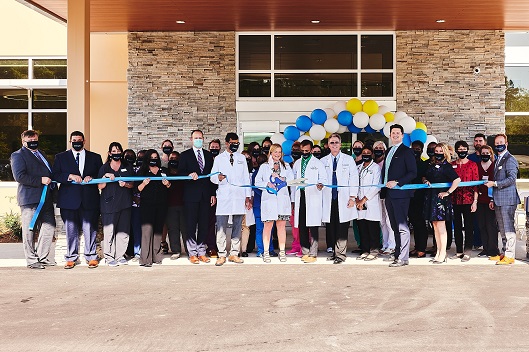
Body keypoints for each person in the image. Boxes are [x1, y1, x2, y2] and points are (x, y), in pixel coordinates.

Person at [52, 131, 103, 269]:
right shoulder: (60, 157)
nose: (77, 142)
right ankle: (71, 258)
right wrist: (70, 176)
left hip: (89, 199)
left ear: (84, 141)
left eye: (79, 140)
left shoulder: (95, 157)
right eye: (74, 140)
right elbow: (55, 175)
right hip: (69, 201)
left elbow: (100, 174)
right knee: (70, 230)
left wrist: (91, 177)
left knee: (90, 229)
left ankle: (91, 257)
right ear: (70, 141)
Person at [10, 130, 56, 269]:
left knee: (49, 226)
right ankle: (31, 260)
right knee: (29, 230)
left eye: (35, 140)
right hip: (30, 199)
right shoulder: (17, 155)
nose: (33, 143)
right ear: (23, 142)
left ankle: (42, 257)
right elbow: (20, 176)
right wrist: (40, 180)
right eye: (30, 141)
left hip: (46, 197)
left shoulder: (41, 153)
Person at [211, 132, 251, 266]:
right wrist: (218, 178)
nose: (235, 145)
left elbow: (246, 178)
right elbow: (212, 177)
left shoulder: (241, 158)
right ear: (227, 143)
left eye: (237, 143)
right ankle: (221, 254)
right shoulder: (219, 159)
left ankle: (234, 253)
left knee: (237, 226)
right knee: (221, 227)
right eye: (233, 143)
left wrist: (247, 196)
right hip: (224, 196)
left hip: (238, 197)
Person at [380, 124, 417, 267]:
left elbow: (412, 173)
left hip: (400, 194)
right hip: (389, 194)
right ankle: (397, 255)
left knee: (402, 226)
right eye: (393, 133)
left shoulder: (407, 152)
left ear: (402, 135)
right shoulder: (389, 150)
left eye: (397, 133)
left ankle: (403, 258)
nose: (395, 135)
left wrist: (397, 182)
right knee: (394, 226)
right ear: (390, 135)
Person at [178, 130, 216, 264]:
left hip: (205, 196)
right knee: (191, 225)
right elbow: (180, 173)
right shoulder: (184, 156)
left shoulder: (208, 155)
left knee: (204, 225)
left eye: (200, 138)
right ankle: (192, 253)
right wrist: (189, 175)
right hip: (191, 196)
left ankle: (201, 252)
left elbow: (211, 176)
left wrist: (213, 193)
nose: (198, 140)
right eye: (196, 138)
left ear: (203, 139)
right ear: (191, 139)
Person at [320, 133, 358, 264]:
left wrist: (353, 197)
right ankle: (335, 253)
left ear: (340, 144)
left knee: (342, 227)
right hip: (329, 198)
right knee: (331, 226)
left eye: (336, 142)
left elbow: (354, 179)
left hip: (344, 197)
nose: (334, 145)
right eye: (332, 143)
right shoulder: (323, 161)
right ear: (328, 145)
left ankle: (340, 255)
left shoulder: (348, 160)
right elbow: (320, 179)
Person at [254, 143, 294, 262]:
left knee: (281, 227)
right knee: (267, 227)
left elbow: (291, 179)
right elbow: (257, 182)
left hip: (282, 201)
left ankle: (282, 252)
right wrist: (266, 184)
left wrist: (283, 179)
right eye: (275, 151)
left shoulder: (286, 166)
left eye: (279, 152)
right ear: (270, 153)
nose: (277, 154)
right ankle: (265, 252)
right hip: (269, 201)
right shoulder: (264, 167)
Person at [485, 133, 520, 265]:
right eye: (496, 143)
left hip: (508, 200)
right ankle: (505, 253)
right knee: (502, 228)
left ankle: (510, 256)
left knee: (508, 228)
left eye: (501, 142)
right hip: (499, 199)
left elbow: (511, 179)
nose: (498, 145)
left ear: (506, 143)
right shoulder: (498, 159)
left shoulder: (510, 159)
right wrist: (493, 199)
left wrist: (495, 184)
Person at [423, 143, 460, 264]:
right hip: (431, 197)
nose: (438, 153)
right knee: (434, 226)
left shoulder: (447, 166)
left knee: (441, 227)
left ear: (445, 153)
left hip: (441, 199)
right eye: (436, 151)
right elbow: (424, 176)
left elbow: (457, 180)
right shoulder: (431, 165)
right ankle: (438, 251)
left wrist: (448, 192)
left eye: (440, 151)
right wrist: (425, 180)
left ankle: (443, 253)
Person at [97, 142, 134, 267]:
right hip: (109, 204)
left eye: (118, 151)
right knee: (109, 231)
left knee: (123, 231)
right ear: (109, 153)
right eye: (114, 151)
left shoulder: (127, 167)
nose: (116, 153)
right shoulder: (104, 167)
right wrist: (106, 177)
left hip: (125, 203)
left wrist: (126, 184)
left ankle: (120, 255)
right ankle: (109, 256)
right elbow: (100, 186)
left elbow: (132, 184)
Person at [292, 140, 327, 263]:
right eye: (303, 151)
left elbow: (323, 178)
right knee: (302, 225)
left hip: (313, 196)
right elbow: (293, 180)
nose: (305, 153)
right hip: (300, 195)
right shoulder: (297, 163)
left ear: (312, 150)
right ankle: (305, 251)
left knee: (313, 226)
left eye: (307, 151)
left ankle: (313, 253)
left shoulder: (318, 163)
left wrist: (320, 185)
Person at [136, 149, 171, 267]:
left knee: (157, 231)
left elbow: (170, 187)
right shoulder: (142, 172)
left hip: (161, 204)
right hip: (147, 205)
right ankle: (145, 259)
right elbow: (137, 189)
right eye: (151, 158)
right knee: (147, 231)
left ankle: (156, 256)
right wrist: (144, 184)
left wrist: (168, 184)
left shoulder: (164, 171)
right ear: (147, 159)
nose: (154, 160)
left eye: (156, 158)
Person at [450, 140, 479, 262]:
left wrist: (475, 201)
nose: (462, 151)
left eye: (464, 149)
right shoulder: (451, 165)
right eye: (459, 149)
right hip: (454, 200)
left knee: (468, 226)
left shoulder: (473, 165)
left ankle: (468, 250)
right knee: (456, 226)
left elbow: (476, 185)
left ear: (467, 150)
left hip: (468, 199)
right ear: (456, 151)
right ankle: (459, 250)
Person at [356, 146, 382, 261]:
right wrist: (357, 199)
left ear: (372, 154)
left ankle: (374, 250)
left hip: (370, 202)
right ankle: (365, 250)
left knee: (372, 228)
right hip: (359, 203)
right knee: (363, 227)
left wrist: (364, 200)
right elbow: (354, 184)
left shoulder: (376, 168)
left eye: (368, 153)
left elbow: (376, 186)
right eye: (364, 153)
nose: (365, 154)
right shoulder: (358, 168)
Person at [476, 145, 499, 258]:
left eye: (487, 153)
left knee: (491, 225)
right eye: (483, 153)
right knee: (482, 225)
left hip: (491, 200)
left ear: (491, 154)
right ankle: (485, 248)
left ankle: (493, 249)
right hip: (480, 200)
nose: (485, 155)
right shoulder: (477, 166)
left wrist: (492, 199)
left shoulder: (494, 166)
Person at [252, 153, 276, 257]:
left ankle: (269, 249)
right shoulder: (256, 174)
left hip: (269, 203)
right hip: (259, 204)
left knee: (269, 227)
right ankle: (261, 250)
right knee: (261, 228)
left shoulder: (273, 172)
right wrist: (265, 194)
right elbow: (255, 187)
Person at [408, 140, 429, 258]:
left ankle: (422, 249)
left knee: (421, 224)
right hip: (409, 198)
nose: (415, 151)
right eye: (413, 149)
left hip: (421, 198)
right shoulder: (408, 163)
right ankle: (416, 247)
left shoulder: (424, 164)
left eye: (417, 149)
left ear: (422, 151)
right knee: (414, 224)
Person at [373, 140, 394, 255]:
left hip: (386, 194)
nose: (378, 150)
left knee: (389, 220)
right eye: (376, 148)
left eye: (381, 148)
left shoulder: (387, 162)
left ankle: (392, 245)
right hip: (376, 196)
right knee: (381, 220)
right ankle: (385, 243)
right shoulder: (371, 163)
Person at [166, 151, 187, 259]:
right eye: (171, 158)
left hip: (184, 204)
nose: (173, 160)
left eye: (176, 159)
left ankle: (189, 250)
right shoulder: (165, 172)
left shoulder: (183, 172)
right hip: (170, 205)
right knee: (173, 229)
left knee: (185, 229)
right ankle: (176, 250)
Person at [127, 149, 144, 261]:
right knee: (135, 229)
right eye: (139, 157)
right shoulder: (132, 170)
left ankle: (146, 251)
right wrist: (134, 197)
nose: (140, 160)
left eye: (143, 157)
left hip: (146, 204)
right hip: (133, 205)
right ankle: (136, 252)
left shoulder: (148, 170)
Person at [286, 141, 302, 256]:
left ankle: (304, 246)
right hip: (291, 199)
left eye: (298, 150)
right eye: (293, 150)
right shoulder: (288, 165)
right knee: (293, 224)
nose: (295, 152)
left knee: (303, 224)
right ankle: (295, 246)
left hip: (302, 198)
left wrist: (290, 182)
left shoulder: (304, 165)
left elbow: (304, 180)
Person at [206, 139, 222, 257]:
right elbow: (209, 179)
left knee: (220, 223)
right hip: (209, 195)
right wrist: (212, 194)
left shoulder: (222, 161)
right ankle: (211, 246)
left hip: (223, 195)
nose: (214, 149)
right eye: (212, 147)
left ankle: (219, 246)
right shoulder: (206, 160)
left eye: (216, 147)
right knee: (210, 222)